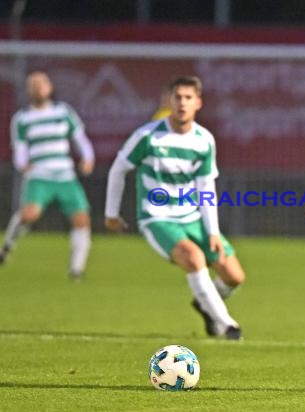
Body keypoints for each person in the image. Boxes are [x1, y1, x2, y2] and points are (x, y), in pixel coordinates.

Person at [104, 75, 245, 340]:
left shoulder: (204, 140)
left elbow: (206, 188)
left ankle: (204, 302)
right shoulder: (148, 136)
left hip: (192, 217)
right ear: (169, 101)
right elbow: (118, 169)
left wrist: (213, 231)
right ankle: (227, 324)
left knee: (234, 276)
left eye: (188, 98)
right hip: (156, 218)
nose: (182, 103)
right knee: (194, 259)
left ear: (198, 103)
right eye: (177, 97)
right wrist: (111, 214)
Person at [0, 71, 94, 280]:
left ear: (50, 87)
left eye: (41, 83)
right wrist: (22, 165)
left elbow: (80, 138)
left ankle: (76, 270)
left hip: (65, 175)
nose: (37, 87)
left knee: (81, 219)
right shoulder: (22, 118)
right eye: (33, 84)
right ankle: (6, 247)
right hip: (39, 175)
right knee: (29, 215)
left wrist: (88, 158)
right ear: (28, 90)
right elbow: (20, 149)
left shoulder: (63, 112)